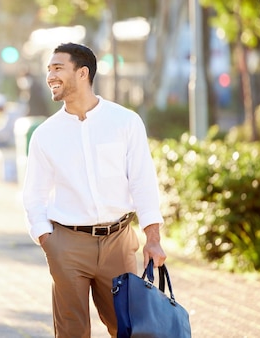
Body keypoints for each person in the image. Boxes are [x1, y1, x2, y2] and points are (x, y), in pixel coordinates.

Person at [22, 42, 166, 337]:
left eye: (58, 68)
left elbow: (143, 181)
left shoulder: (125, 121)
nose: (50, 76)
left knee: (127, 328)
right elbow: (33, 194)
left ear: (83, 72)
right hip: (67, 243)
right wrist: (47, 241)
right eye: (49, 69)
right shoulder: (45, 135)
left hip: (118, 241)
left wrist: (153, 238)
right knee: (71, 331)